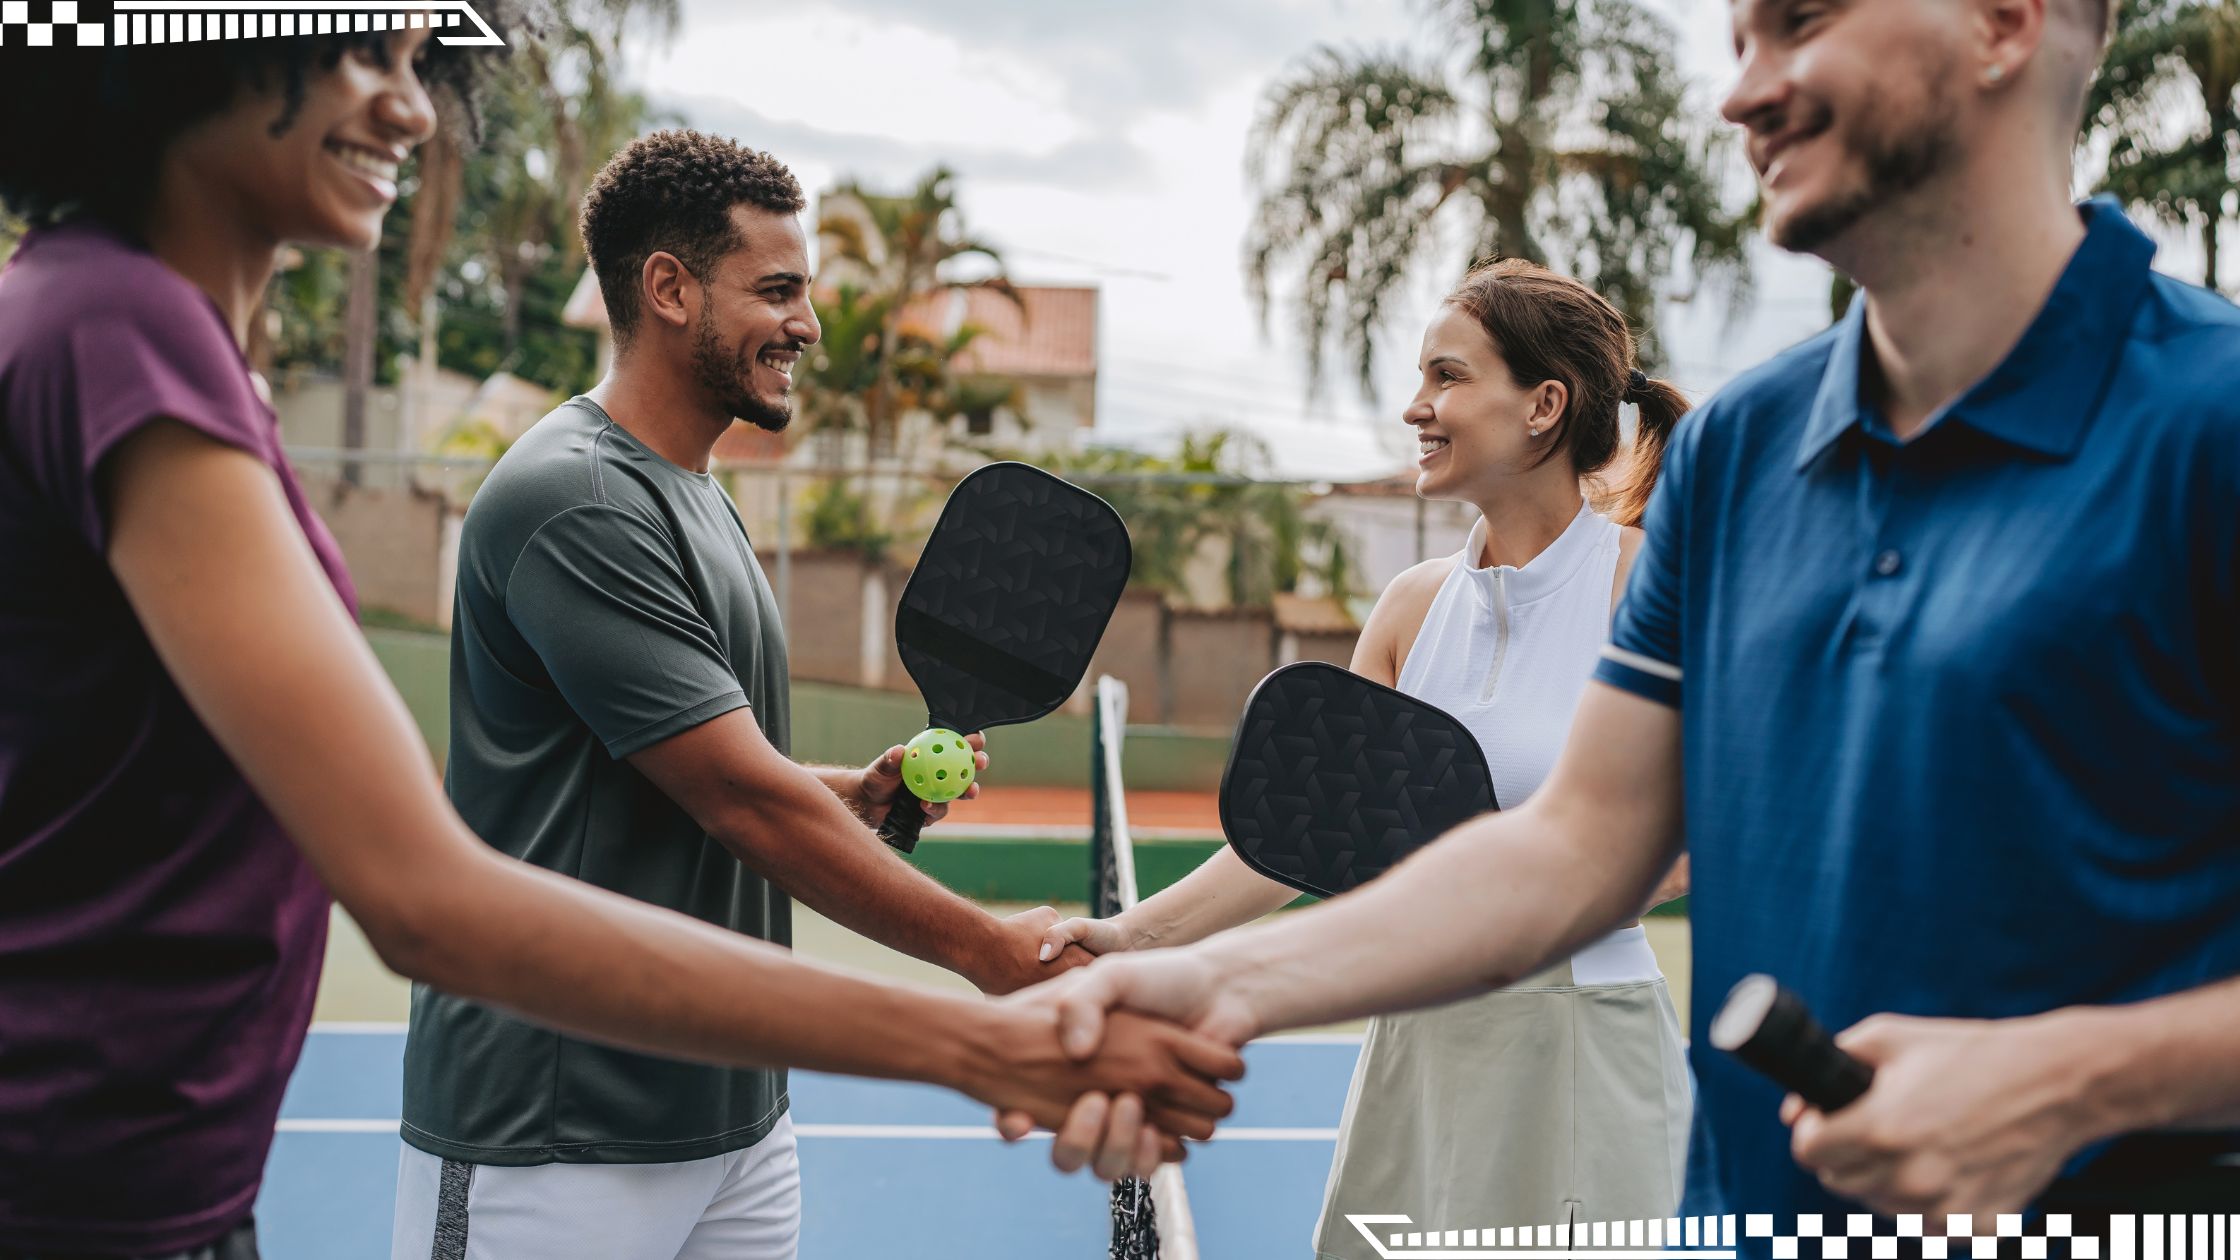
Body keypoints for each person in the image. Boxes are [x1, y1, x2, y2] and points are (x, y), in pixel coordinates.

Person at [0, 26, 1236, 1259]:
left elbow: (704, 774)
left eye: (421, 66)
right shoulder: (123, 336)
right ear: (188, 48)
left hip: (156, 1178)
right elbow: (426, 891)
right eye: (364, 56)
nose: (417, 112)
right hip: (232, 1169)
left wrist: (845, 800)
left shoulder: (145, 335)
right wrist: (978, 1025)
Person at [1022, 0, 2240, 1227]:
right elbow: (1572, 851)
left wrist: (2066, 1083)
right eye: (1736, 43)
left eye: (1798, 24)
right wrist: (1203, 979)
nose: (1740, 94)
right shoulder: (1738, 458)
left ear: (1999, 23)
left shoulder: (2213, 423)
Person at [388, 128, 1091, 1259]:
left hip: (732, 1121)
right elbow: (742, 802)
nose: (806, 325)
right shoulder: (577, 500)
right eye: (775, 290)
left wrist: (845, 796)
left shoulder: (696, 494)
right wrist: (980, 948)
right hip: (558, 1128)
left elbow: (704, 765)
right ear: (668, 289)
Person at [1034, 260, 1694, 1244]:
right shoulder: (1408, 608)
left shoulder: (1649, 591)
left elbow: (1703, 834)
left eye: (1445, 377)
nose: (1413, 408)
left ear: (1541, 406)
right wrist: (1130, 939)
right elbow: (1301, 838)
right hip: (1414, 1033)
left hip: (1577, 1042)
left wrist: (1523, 922)